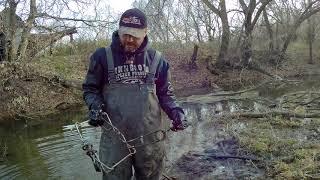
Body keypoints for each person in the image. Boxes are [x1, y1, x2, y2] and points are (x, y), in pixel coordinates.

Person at [82, 8, 188, 180]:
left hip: (150, 140)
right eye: (125, 34)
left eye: (135, 35)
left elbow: (166, 94)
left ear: (145, 33)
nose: (129, 39)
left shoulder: (157, 60)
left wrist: (176, 112)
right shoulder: (101, 56)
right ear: (119, 29)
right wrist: (94, 106)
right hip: (114, 139)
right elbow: (90, 89)